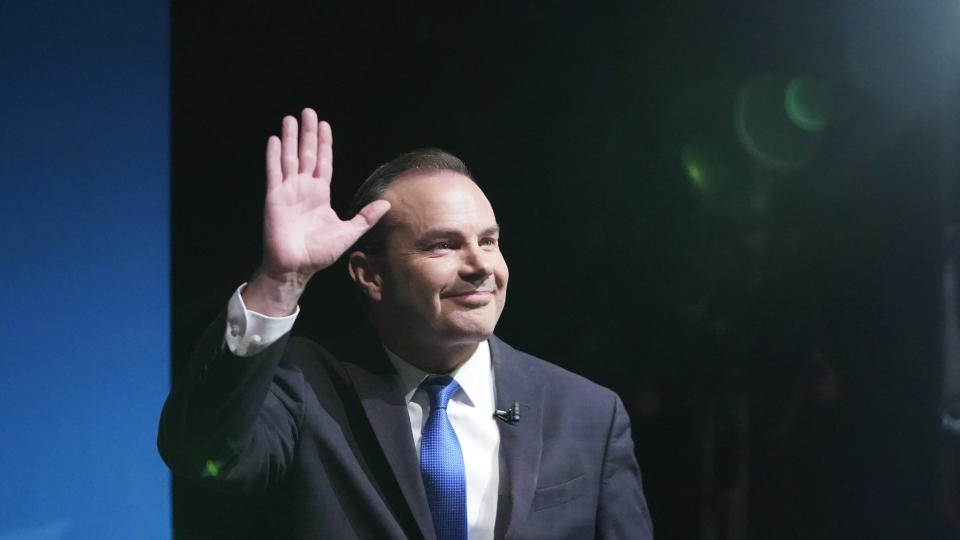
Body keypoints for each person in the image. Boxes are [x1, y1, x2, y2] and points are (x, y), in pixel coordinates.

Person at [158, 108, 653, 540]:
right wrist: (281, 278)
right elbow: (200, 453)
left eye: (488, 241)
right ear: (370, 275)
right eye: (443, 244)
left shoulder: (588, 414)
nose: (480, 265)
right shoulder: (305, 390)